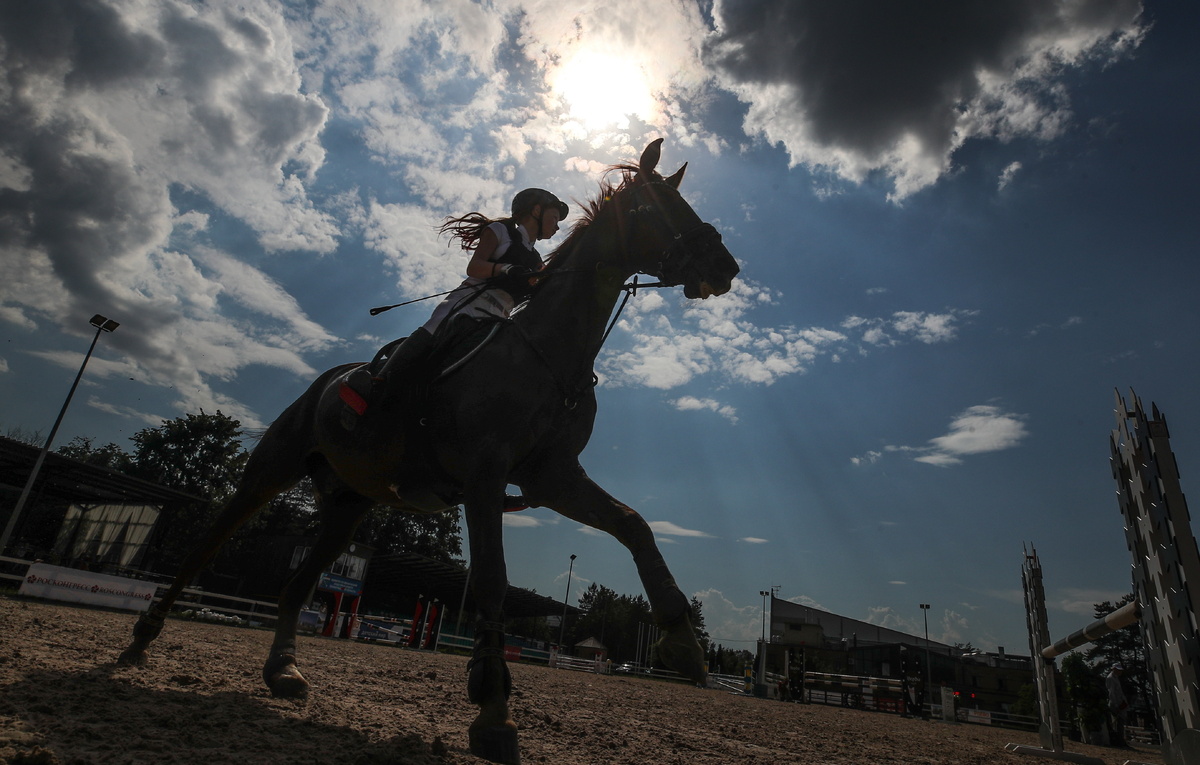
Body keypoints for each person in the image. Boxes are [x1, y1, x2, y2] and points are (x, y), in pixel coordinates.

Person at [342, 188, 568, 425]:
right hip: (467, 306)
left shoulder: (536, 260)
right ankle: (377, 384)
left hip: (499, 319)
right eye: (554, 218)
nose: (557, 226)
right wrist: (504, 268)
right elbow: (475, 267)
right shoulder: (500, 231)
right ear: (536, 211)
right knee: (435, 330)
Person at [1106, 664, 1129, 746]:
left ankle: (1120, 739)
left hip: (1120, 702)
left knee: (1120, 722)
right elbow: (1111, 693)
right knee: (1117, 722)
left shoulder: (1115, 678)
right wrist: (1116, 705)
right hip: (1116, 703)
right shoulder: (1111, 678)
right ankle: (1118, 740)